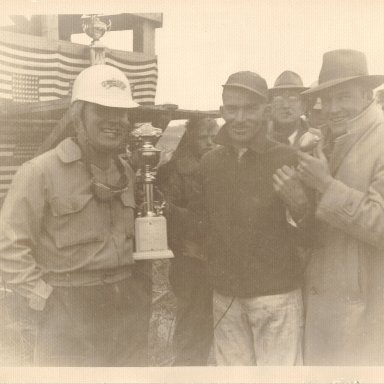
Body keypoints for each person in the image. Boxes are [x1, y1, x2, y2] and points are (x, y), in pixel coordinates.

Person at [0, 64, 151, 366]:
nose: (114, 121)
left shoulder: (127, 172)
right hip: (68, 309)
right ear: (77, 117)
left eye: (121, 113)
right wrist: (43, 298)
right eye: (102, 110)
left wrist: (139, 293)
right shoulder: (39, 172)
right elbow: (10, 246)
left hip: (127, 308)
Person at [168, 71, 309, 366]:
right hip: (226, 298)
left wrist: (301, 205)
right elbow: (201, 224)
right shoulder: (210, 162)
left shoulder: (288, 158)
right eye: (232, 109)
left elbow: (313, 234)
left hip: (276, 298)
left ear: (266, 110)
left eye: (250, 108)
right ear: (222, 112)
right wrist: (161, 210)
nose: (240, 117)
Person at [276, 49, 384, 365]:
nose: (333, 108)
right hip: (323, 299)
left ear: (368, 94)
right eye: (328, 99)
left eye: (344, 98)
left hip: (365, 307)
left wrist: (324, 184)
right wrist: (297, 199)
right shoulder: (323, 139)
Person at [157, 117, 219, 366]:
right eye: (203, 137)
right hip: (189, 260)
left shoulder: (215, 165)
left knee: (209, 326)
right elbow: (167, 214)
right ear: (190, 136)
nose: (210, 142)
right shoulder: (173, 171)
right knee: (191, 328)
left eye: (214, 136)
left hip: (212, 257)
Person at [268, 71, 309, 147]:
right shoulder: (258, 141)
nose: (285, 105)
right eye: (278, 98)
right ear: (271, 105)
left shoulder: (316, 142)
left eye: (292, 98)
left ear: (304, 106)